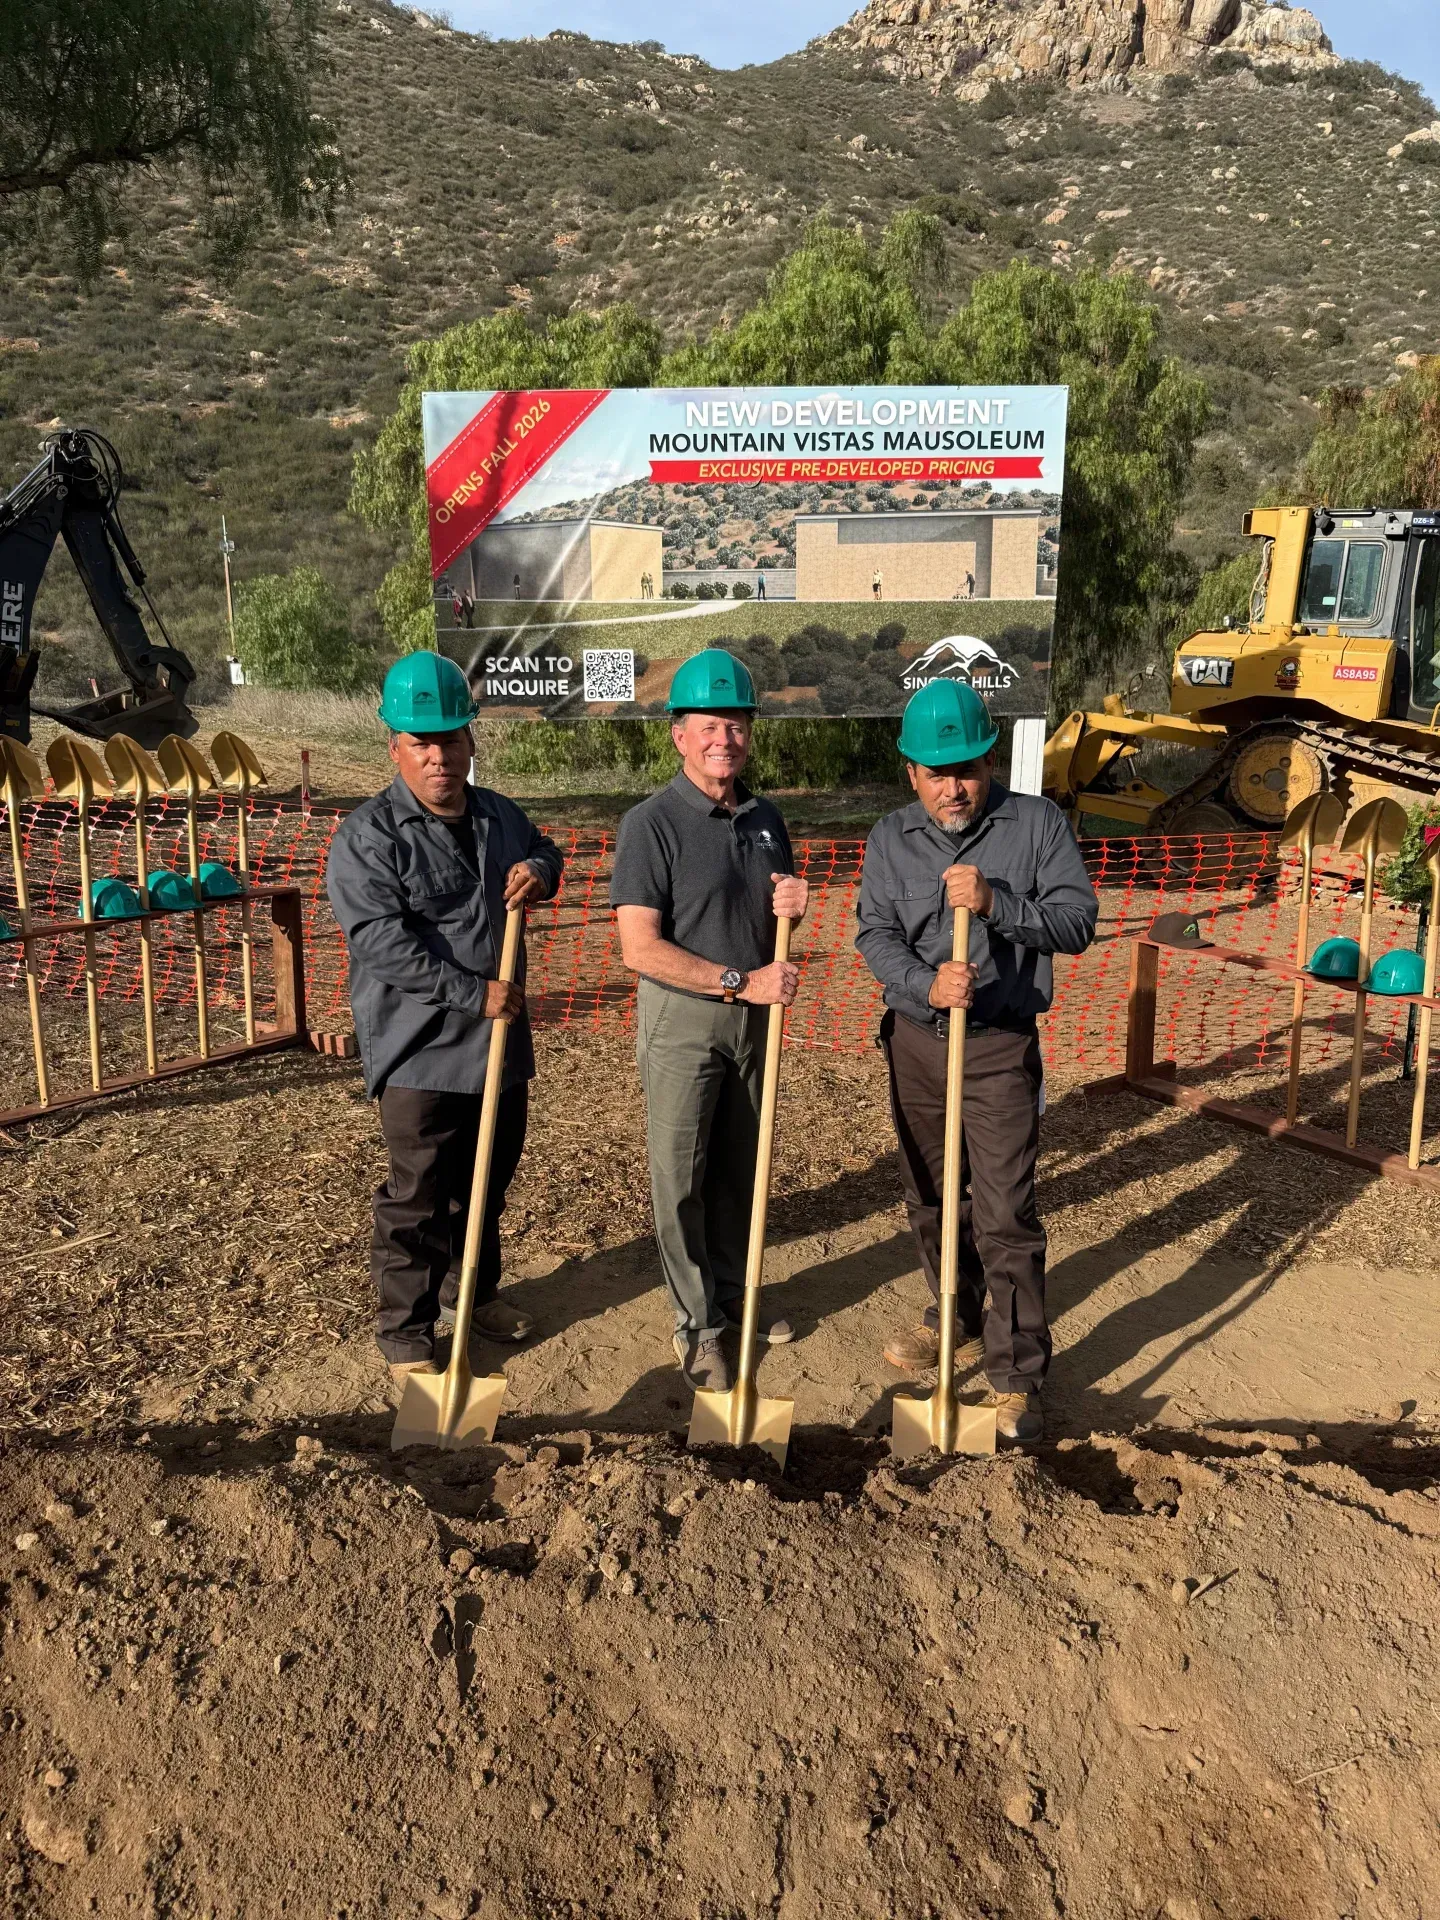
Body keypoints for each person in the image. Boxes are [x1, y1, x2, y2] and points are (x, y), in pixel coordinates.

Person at [855, 678, 1097, 1442]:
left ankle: (1016, 1371)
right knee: (931, 1198)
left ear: (990, 762)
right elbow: (874, 934)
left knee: (1003, 1212)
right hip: (917, 1043)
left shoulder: (1036, 824)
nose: (954, 787)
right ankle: (952, 1317)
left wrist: (998, 905)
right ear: (911, 773)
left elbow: (1077, 921)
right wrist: (924, 981)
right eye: (937, 773)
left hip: (997, 1047)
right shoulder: (890, 838)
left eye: (967, 769)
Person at [326, 652, 565, 1384]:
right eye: (421, 742)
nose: (439, 756)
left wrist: (541, 871)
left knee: (488, 1180)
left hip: (499, 1044)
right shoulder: (369, 837)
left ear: (469, 739)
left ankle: (475, 1294)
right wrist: (474, 992)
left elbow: (547, 849)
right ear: (393, 746)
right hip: (421, 1049)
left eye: (450, 739)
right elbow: (380, 943)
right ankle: (406, 1332)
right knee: (419, 1196)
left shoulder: (498, 815)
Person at [611, 649, 809, 1392]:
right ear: (679, 736)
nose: (723, 738)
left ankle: (734, 1292)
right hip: (686, 1022)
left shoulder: (766, 819)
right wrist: (739, 981)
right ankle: (699, 1328)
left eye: (736, 725)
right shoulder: (650, 825)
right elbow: (640, 946)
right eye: (708, 726)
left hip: (755, 1022)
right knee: (681, 1178)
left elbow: (769, 907)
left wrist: (792, 907)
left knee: (741, 1172)